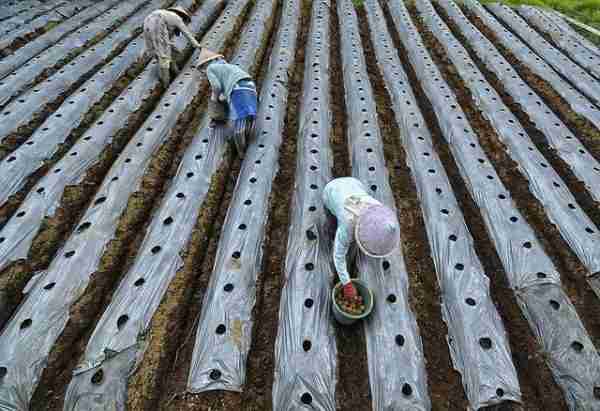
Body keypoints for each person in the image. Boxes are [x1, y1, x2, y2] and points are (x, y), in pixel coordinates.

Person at [323, 177, 400, 300]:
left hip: (355, 184)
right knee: (333, 226)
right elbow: (339, 256)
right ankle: (332, 230)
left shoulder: (380, 212)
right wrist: (347, 284)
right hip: (331, 191)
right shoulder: (348, 222)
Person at [196, 48, 258, 156]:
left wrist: (214, 99)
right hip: (251, 87)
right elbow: (226, 89)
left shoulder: (211, 68)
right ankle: (249, 140)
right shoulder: (228, 66)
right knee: (248, 117)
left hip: (238, 90)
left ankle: (241, 153)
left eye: (202, 69)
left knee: (237, 124)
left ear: (205, 64)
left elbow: (216, 86)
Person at [143, 7, 201, 87]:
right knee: (164, 56)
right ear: (183, 17)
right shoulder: (177, 18)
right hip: (158, 20)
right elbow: (187, 33)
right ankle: (166, 83)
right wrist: (197, 45)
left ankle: (174, 72)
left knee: (157, 51)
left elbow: (166, 42)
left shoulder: (168, 16)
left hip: (147, 20)